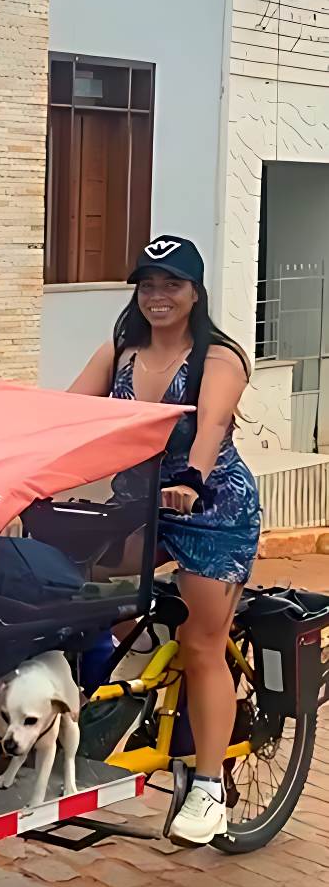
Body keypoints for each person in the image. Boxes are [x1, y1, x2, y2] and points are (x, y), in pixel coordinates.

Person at [67, 235, 260, 845]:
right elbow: (68, 415)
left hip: (209, 508)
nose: (158, 296)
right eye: (148, 284)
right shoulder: (119, 351)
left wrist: (191, 479)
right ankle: (128, 684)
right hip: (135, 505)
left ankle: (207, 787)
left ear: (194, 292)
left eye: (171, 284)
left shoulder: (218, 358)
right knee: (79, 594)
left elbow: (211, 426)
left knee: (202, 644)